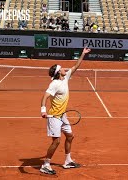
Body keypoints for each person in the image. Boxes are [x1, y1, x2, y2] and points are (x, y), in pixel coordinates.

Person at [40, 47, 91, 175]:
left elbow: (76, 66)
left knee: (70, 136)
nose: (65, 69)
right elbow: (45, 96)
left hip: (63, 115)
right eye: (62, 68)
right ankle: (46, 164)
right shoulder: (54, 84)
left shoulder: (66, 78)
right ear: (58, 72)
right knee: (56, 141)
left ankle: (67, 161)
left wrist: (82, 54)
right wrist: (43, 110)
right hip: (54, 116)